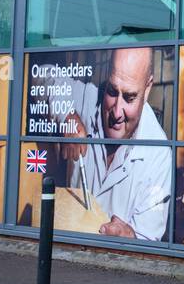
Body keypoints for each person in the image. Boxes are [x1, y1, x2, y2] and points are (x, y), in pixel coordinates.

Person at [57, 47, 172, 240]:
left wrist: (130, 236)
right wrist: (66, 114)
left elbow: (147, 241)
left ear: (148, 87)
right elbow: (42, 76)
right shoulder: (89, 98)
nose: (117, 112)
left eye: (129, 97)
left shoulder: (159, 155)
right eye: (112, 91)